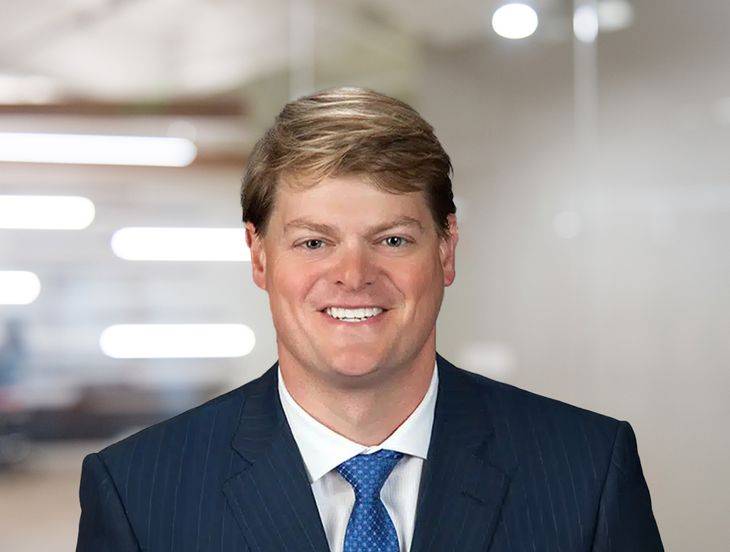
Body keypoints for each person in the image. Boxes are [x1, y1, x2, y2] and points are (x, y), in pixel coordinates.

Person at [76, 87, 663, 551]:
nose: (353, 275)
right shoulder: (138, 494)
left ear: (446, 250)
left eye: (392, 239)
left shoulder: (586, 471)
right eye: (314, 242)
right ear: (259, 256)